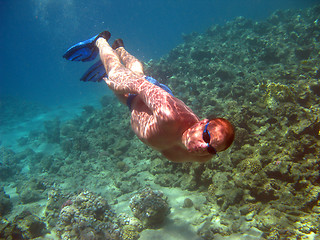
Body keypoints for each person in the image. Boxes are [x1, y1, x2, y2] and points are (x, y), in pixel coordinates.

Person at [63, 31, 235, 163]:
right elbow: (140, 85)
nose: (204, 148)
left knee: (138, 72)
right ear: (202, 123)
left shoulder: (204, 157)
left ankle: (119, 48)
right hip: (145, 96)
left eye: (212, 149)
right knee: (118, 73)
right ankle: (100, 40)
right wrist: (117, 83)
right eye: (206, 138)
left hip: (140, 104)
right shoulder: (169, 116)